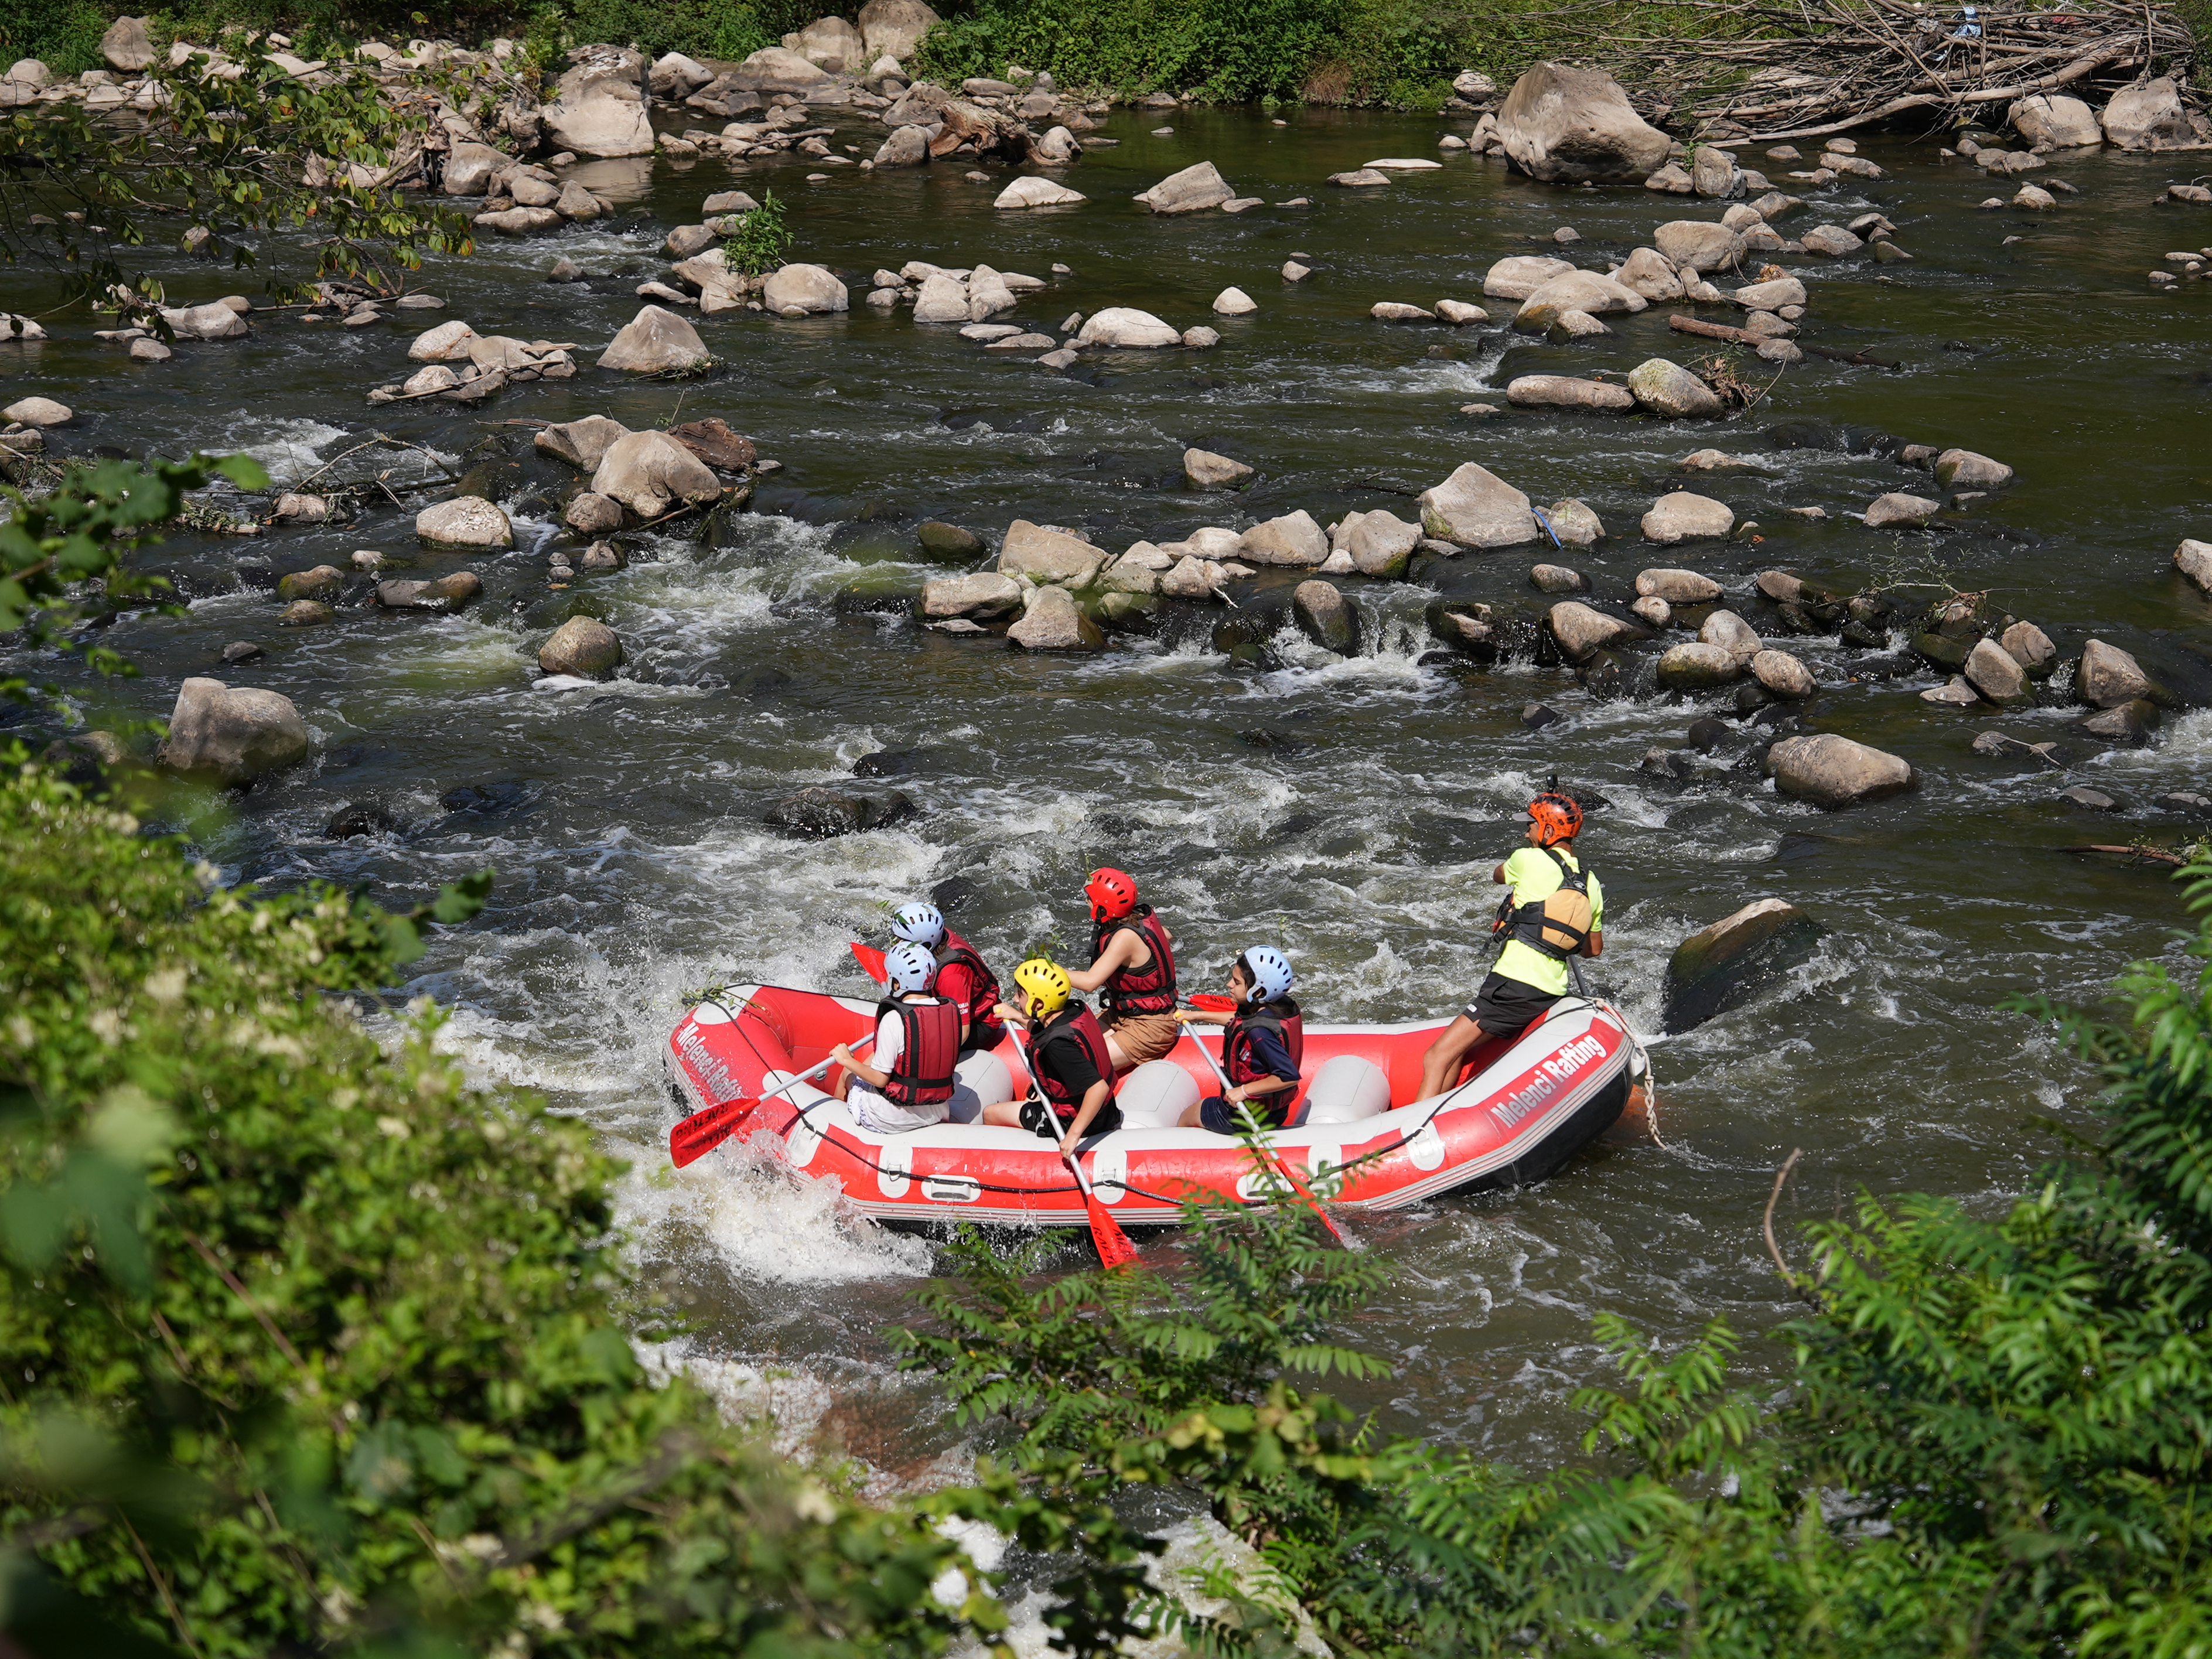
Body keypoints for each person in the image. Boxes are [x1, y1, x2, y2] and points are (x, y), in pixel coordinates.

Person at [1416, 792, 1605, 1102]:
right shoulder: (1592, 883)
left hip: (1512, 982)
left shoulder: (1526, 858)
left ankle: (1412, 1134)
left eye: (1532, 825)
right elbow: (1592, 949)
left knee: (1436, 1056)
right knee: (1457, 1054)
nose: (1526, 831)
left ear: (1547, 831)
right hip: (1550, 991)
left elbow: (1498, 876)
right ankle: (1437, 1113)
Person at [981, 958, 1122, 1153]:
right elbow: (1043, 1030)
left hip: (1076, 1122)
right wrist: (1014, 1014)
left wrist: (1072, 1136)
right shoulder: (1074, 1011)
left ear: (1037, 1003)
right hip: (1108, 1111)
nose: (1015, 998)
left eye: (1020, 994)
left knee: (991, 1113)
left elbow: (1098, 1088)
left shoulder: (1058, 1047)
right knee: (1032, 1098)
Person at [829, 942, 964, 1135]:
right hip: (936, 1111)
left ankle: (835, 1128)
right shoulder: (949, 1011)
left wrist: (847, 1060)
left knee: (846, 1073)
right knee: (872, 1059)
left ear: (897, 984)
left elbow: (880, 1079)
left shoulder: (894, 1018)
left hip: (893, 1117)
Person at [1062, 867, 1180, 1073]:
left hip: (1150, 1027)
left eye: (1090, 899)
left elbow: (1090, 983)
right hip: (1122, 1015)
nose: (1086, 902)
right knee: (1064, 1045)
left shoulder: (1125, 937)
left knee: (1074, 1066)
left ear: (1103, 907)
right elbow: (1166, 936)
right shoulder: (1138, 919)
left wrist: (1049, 969)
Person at [1176, 947, 1303, 1133]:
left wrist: (1243, 1091)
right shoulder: (1280, 1007)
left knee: (1188, 1116)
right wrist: (1197, 1015)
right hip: (1276, 1111)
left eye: (1237, 982)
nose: (1229, 984)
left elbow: (1288, 1077)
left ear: (1258, 992)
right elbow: (1239, 1023)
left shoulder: (1260, 1033)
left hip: (1248, 1115)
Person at [889, 900, 1005, 1054]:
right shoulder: (936, 935)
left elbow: (962, 1031)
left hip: (978, 1024)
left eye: (902, 941)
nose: (897, 943)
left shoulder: (951, 975)